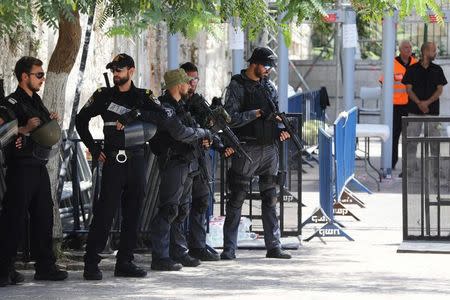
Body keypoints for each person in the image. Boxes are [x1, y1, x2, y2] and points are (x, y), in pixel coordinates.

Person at [76, 53, 169, 280]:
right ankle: (91, 262)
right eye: (114, 70)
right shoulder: (103, 95)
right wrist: (94, 148)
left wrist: (136, 114)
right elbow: (81, 120)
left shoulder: (142, 96)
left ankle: (125, 262)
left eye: (120, 69)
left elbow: (165, 116)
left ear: (131, 70)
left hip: (136, 159)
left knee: (133, 212)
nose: (116, 74)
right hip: (113, 162)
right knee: (104, 213)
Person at [0, 56, 68, 287]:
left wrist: (51, 121)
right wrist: (23, 129)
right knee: (14, 220)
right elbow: (2, 133)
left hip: (38, 165)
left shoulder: (37, 101)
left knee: (43, 217)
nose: (42, 78)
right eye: (38, 75)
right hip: (20, 168)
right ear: (24, 77)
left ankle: (45, 267)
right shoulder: (10, 103)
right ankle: (4, 270)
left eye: (43, 74)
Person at [221, 47, 292, 260]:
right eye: (266, 65)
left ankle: (274, 246)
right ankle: (229, 249)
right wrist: (257, 113)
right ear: (255, 64)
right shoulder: (236, 86)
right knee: (237, 199)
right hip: (246, 148)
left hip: (269, 148)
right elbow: (229, 118)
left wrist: (282, 130)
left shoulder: (268, 86)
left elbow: (274, 114)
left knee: (270, 198)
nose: (269, 70)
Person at [149, 69, 212, 271]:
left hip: (186, 162)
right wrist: (202, 132)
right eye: (186, 82)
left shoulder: (181, 106)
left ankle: (179, 251)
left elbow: (189, 130)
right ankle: (160, 256)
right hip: (173, 163)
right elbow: (180, 132)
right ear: (177, 85)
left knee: (182, 210)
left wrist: (204, 137)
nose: (189, 85)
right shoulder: (165, 108)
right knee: (169, 209)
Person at [178, 62, 233, 262]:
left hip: (200, 158)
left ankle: (197, 245)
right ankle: (178, 248)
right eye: (189, 79)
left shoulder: (200, 103)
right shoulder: (175, 102)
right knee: (179, 206)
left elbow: (210, 128)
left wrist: (219, 145)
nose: (192, 83)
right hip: (183, 159)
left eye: (195, 79)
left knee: (201, 202)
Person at [402, 42, 447, 175]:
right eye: (433, 50)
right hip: (414, 112)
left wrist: (426, 103)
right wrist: (420, 103)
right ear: (425, 52)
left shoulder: (437, 69)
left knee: (434, 142)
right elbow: (408, 89)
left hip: (432, 112)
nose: (435, 53)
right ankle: (408, 169)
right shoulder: (412, 69)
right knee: (411, 141)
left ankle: (436, 170)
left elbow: (440, 90)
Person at [380, 41, 417, 173]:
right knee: (394, 135)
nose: (408, 49)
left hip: (411, 106)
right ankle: (391, 162)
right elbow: (382, 83)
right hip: (395, 106)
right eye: (405, 47)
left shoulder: (416, 64)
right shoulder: (392, 64)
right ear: (400, 50)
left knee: (410, 137)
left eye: (410, 47)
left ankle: (409, 166)